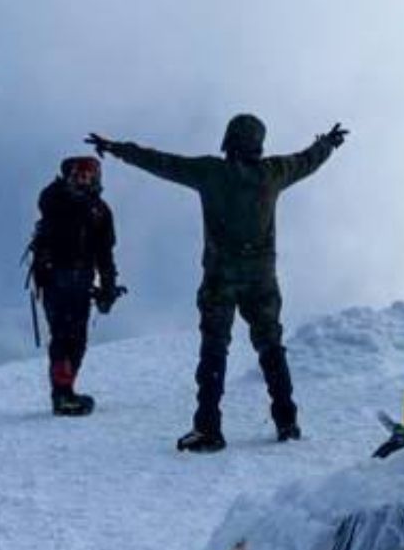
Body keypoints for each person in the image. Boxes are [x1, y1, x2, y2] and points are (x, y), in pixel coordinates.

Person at [87, 114, 347, 452]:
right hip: (262, 279)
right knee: (271, 346)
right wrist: (327, 143)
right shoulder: (274, 173)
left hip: (220, 279)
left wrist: (116, 148)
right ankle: (287, 422)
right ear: (259, 143)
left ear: (228, 140)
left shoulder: (211, 172)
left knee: (214, 350)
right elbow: (307, 160)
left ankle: (208, 429)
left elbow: (160, 162)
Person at [29, 156, 123, 416]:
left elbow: (105, 254)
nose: (83, 179)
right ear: (69, 176)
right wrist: (106, 287)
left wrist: (108, 286)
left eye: (87, 175)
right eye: (78, 175)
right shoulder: (61, 200)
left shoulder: (98, 210)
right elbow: (46, 201)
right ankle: (63, 395)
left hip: (76, 278)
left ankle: (64, 392)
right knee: (64, 335)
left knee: (73, 337)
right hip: (57, 277)